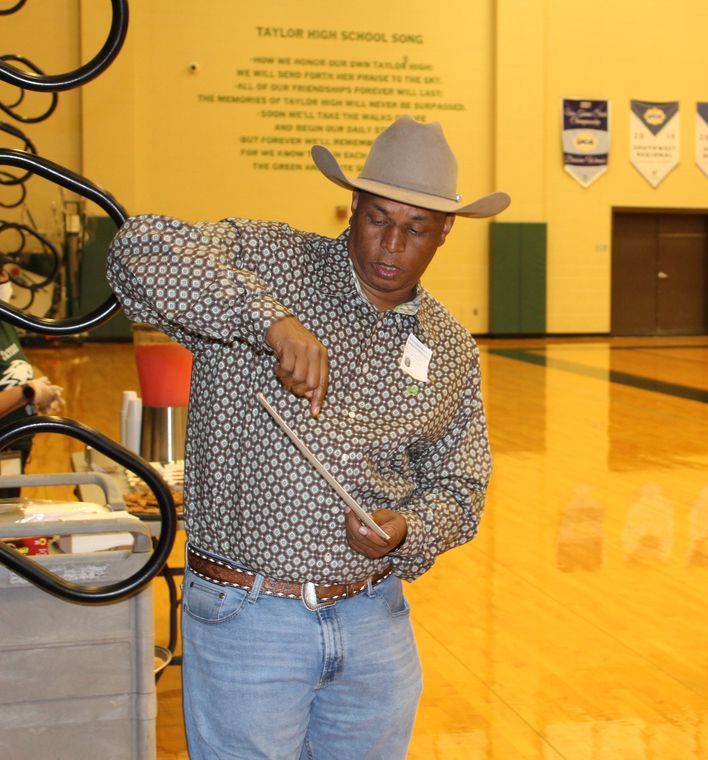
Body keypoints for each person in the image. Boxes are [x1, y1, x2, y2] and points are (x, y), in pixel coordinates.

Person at [106, 116, 509, 758]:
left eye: (416, 229)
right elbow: (136, 251)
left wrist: (406, 529)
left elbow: (462, 488)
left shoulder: (450, 347)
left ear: (445, 233)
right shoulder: (273, 262)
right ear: (353, 206)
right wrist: (270, 321)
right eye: (378, 218)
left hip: (375, 622)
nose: (391, 244)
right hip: (247, 615)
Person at [0, 268, 64, 497]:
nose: (6, 282)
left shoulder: (4, 320)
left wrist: (39, 386)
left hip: (14, 448)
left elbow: (12, 364)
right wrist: (29, 392)